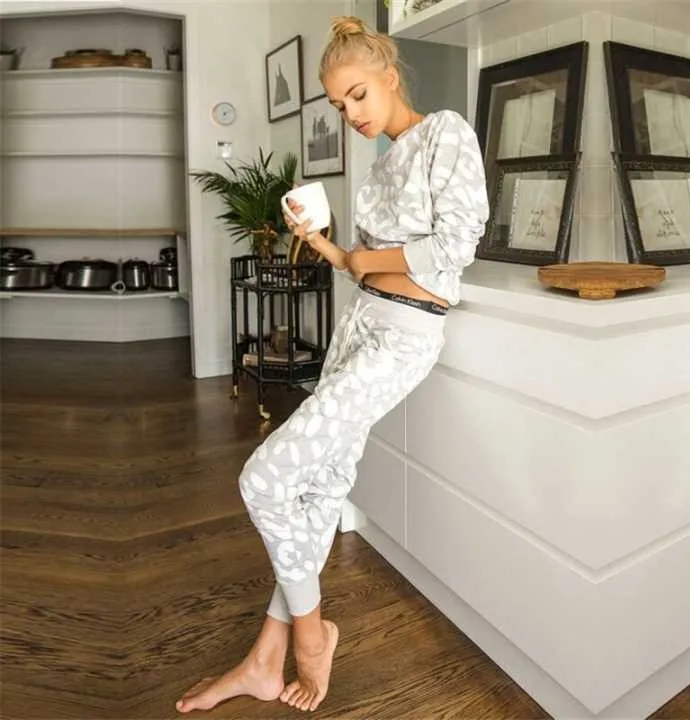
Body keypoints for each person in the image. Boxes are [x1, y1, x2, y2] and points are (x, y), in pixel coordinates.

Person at [176, 14, 488, 715]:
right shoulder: (378, 168)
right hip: (360, 324)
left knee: (265, 479)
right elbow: (362, 269)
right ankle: (265, 659)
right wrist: (322, 244)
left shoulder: (445, 132)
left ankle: (313, 637)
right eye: (339, 105)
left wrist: (363, 259)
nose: (350, 113)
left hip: (403, 336)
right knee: (318, 487)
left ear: (390, 76)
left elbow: (454, 250)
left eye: (358, 95)